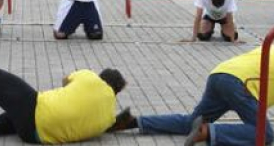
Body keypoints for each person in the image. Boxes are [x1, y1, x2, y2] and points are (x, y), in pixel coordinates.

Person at [108, 46, 274, 146]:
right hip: (240, 85)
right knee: (264, 134)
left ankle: (134, 122)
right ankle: (208, 131)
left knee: (190, 122)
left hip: (220, 73)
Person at [0, 66, 126, 144]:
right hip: (36, 136)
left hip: (38, 111)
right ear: (116, 92)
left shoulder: (90, 77)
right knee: (17, 109)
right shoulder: (109, 117)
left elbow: (65, 81)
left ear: (102, 77)